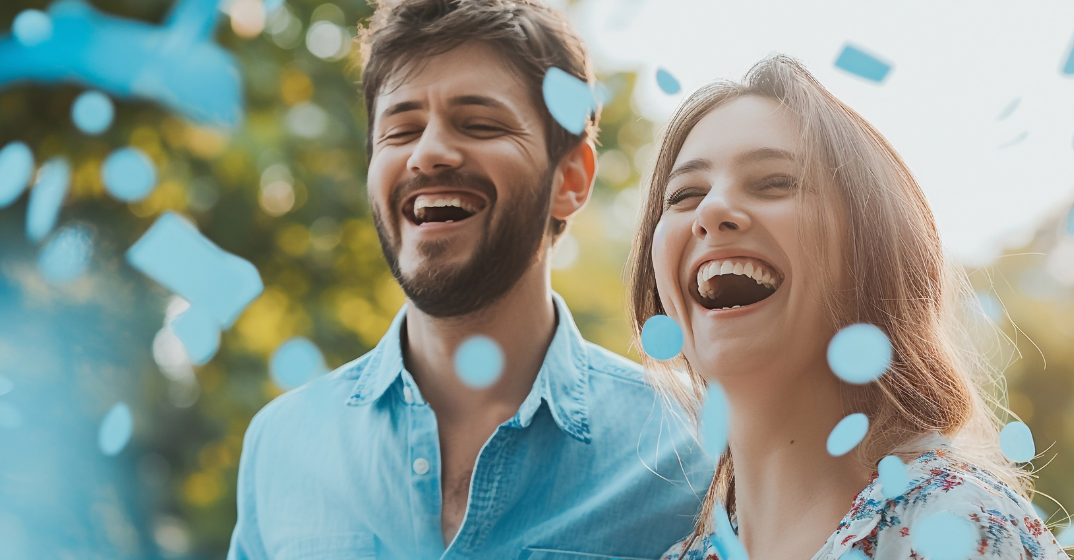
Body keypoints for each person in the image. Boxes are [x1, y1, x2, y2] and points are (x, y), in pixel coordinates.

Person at [228, 1, 712, 558]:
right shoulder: (280, 446)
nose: (428, 153)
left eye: (480, 124)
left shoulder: (694, 452)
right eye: (400, 130)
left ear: (571, 179)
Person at [625, 55, 1069, 560]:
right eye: (685, 194)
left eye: (775, 182)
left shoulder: (955, 528)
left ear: (872, 250)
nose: (710, 211)